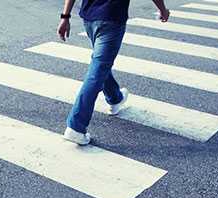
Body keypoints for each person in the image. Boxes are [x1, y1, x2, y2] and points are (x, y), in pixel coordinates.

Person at [57, 0, 169, 145]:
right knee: (97, 70)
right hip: (111, 18)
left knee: (101, 65)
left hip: (90, 18)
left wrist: (65, 17)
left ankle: (115, 98)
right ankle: (76, 127)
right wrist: (163, 10)